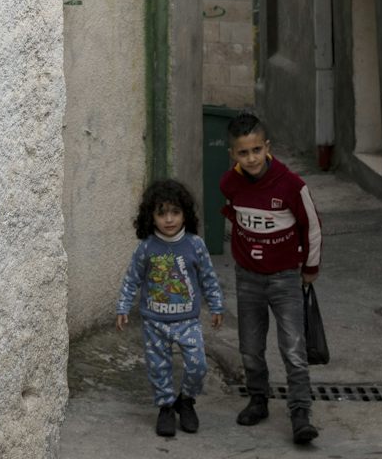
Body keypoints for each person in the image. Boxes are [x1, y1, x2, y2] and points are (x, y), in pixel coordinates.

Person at [220, 113, 323, 445]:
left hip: (285, 278)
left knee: (293, 348)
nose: (250, 159)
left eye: (256, 150)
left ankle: (300, 413)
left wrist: (309, 268)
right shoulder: (229, 184)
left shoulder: (291, 185)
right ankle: (258, 399)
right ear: (232, 154)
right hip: (248, 278)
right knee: (250, 347)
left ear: (267, 148)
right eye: (242, 153)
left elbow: (313, 228)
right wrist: (243, 254)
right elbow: (233, 218)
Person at [116, 178, 225, 438]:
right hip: (154, 322)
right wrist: (123, 306)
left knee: (198, 365)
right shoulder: (146, 248)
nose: (169, 219)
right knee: (158, 368)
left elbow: (208, 278)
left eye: (175, 212)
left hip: (187, 321)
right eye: (161, 213)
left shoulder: (195, 245)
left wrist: (217, 305)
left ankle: (186, 401)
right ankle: (165, 406)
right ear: (150, 216)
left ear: (185, 213)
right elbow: (132, 279)